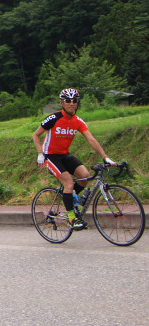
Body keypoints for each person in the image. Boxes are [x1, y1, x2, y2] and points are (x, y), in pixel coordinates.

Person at [32, 88, 116, 230]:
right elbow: (35, 135)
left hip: (64, 155)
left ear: (77, 103)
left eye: (74, 101)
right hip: (50, 156)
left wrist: (105, 157)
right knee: (69, 183)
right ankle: (71, 218)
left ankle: (71, 197)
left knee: (85, 177)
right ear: (62, 103)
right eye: (68, 101)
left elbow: (91, 139)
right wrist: (40, 153)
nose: (71, 103)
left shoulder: (78, 121)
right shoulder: (54, 118)